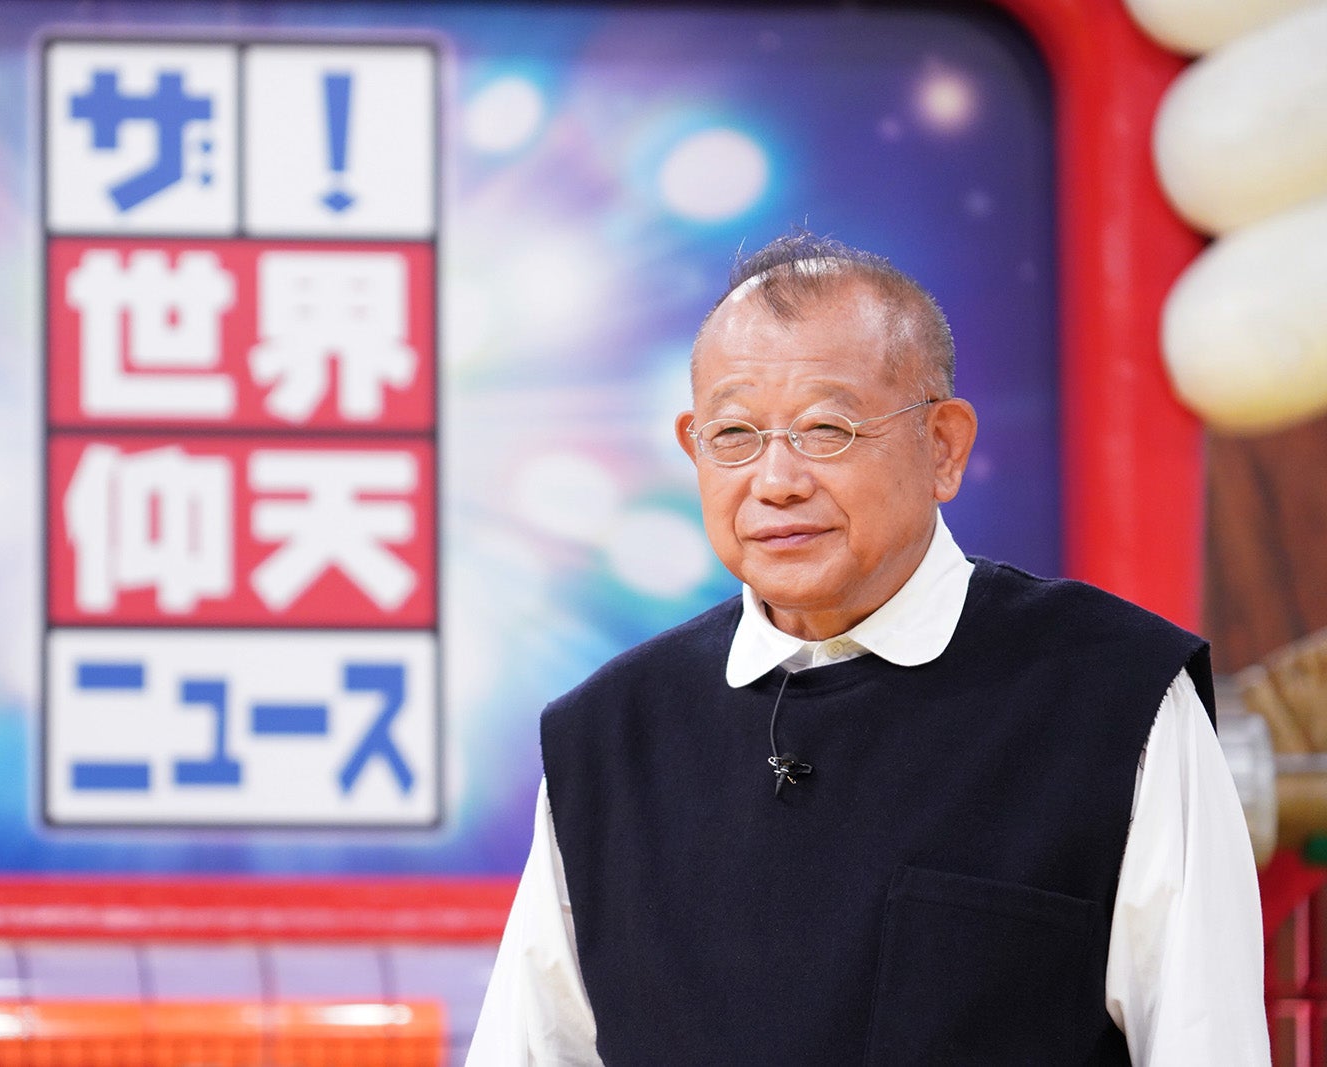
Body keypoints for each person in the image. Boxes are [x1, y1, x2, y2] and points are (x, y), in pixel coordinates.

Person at [467, 231, 1268, 1065]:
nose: (776, 481)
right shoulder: (607, 738)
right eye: (734, 433)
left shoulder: (1116, 698)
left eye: (827, 428)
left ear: (944, 446)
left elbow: (1208, 1042)